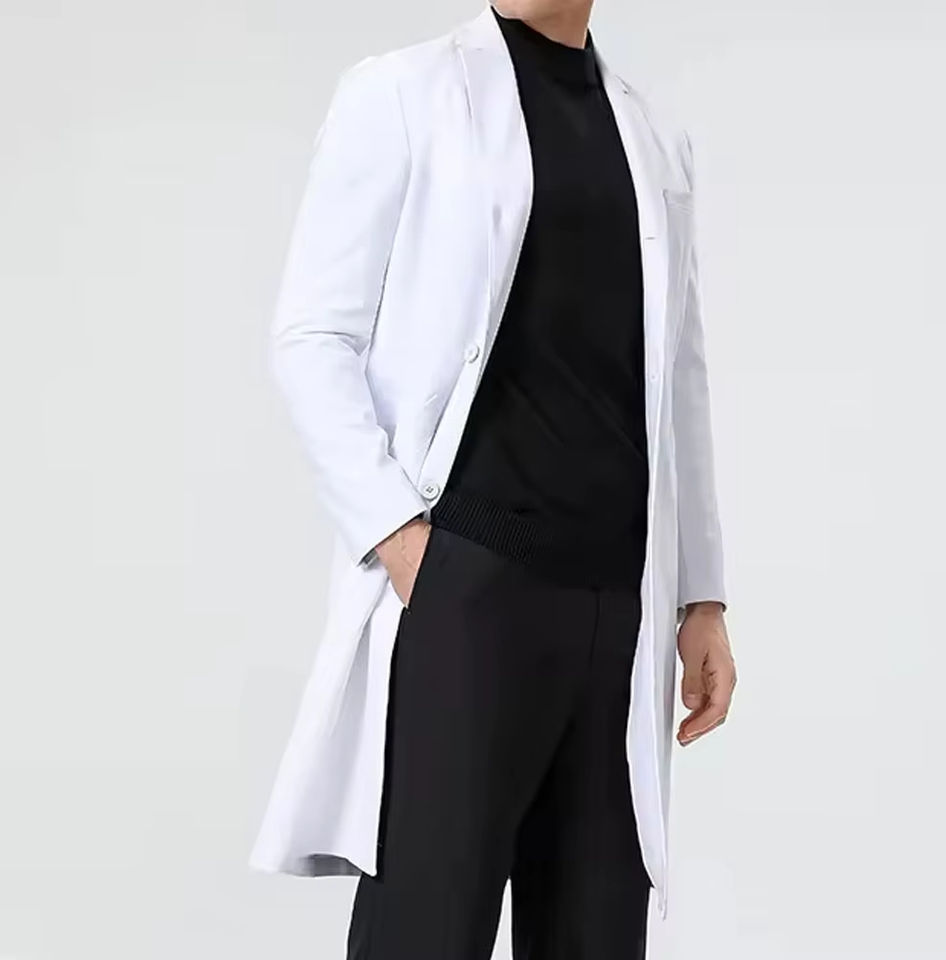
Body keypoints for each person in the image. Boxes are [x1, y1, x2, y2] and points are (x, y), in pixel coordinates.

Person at [250, 2, 737, 957]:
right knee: (425, 931)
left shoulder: (653, 139)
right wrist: (402, 539)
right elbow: (312, 337)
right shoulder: (402, 93)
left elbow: (677, 373)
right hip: (471, 589)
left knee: (597, 933)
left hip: (619, 611)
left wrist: (701, 596)